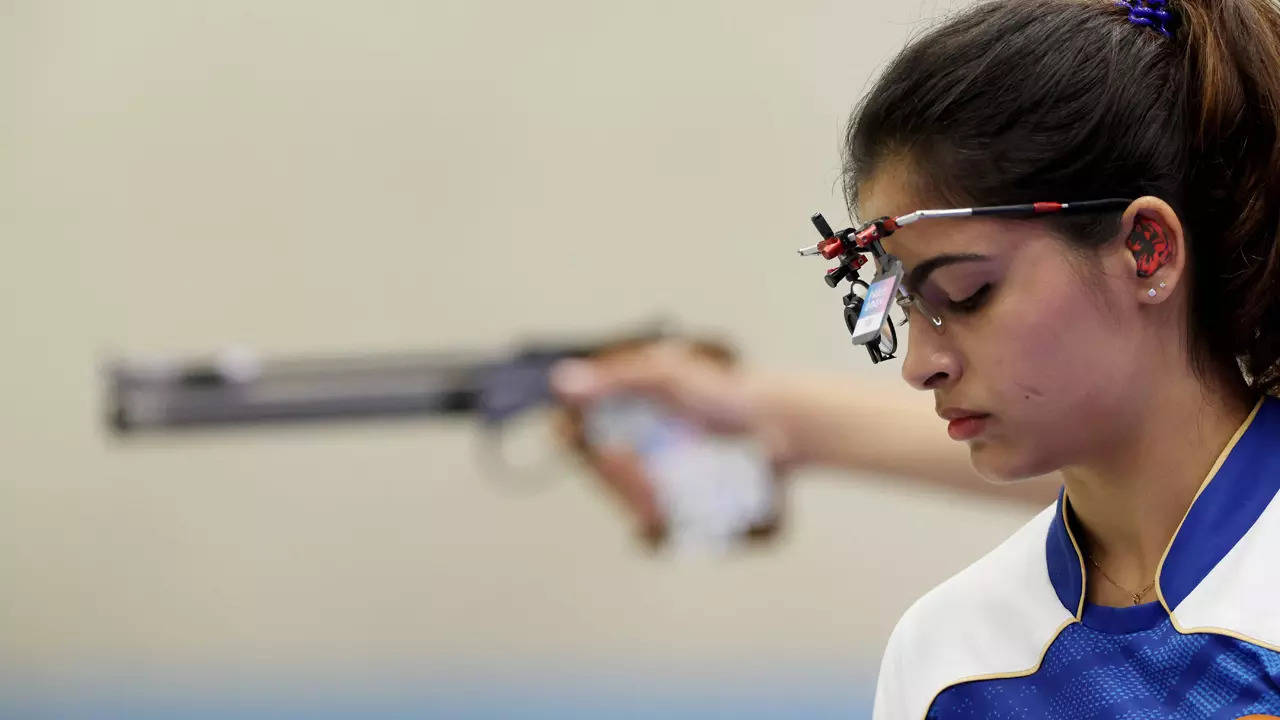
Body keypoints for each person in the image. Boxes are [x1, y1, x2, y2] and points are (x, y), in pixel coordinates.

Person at [555, 0, 1280, 716]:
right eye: (900, 308)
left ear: (1145, 249)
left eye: (967, 293)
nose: (919, 365)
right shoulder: (948, 662)